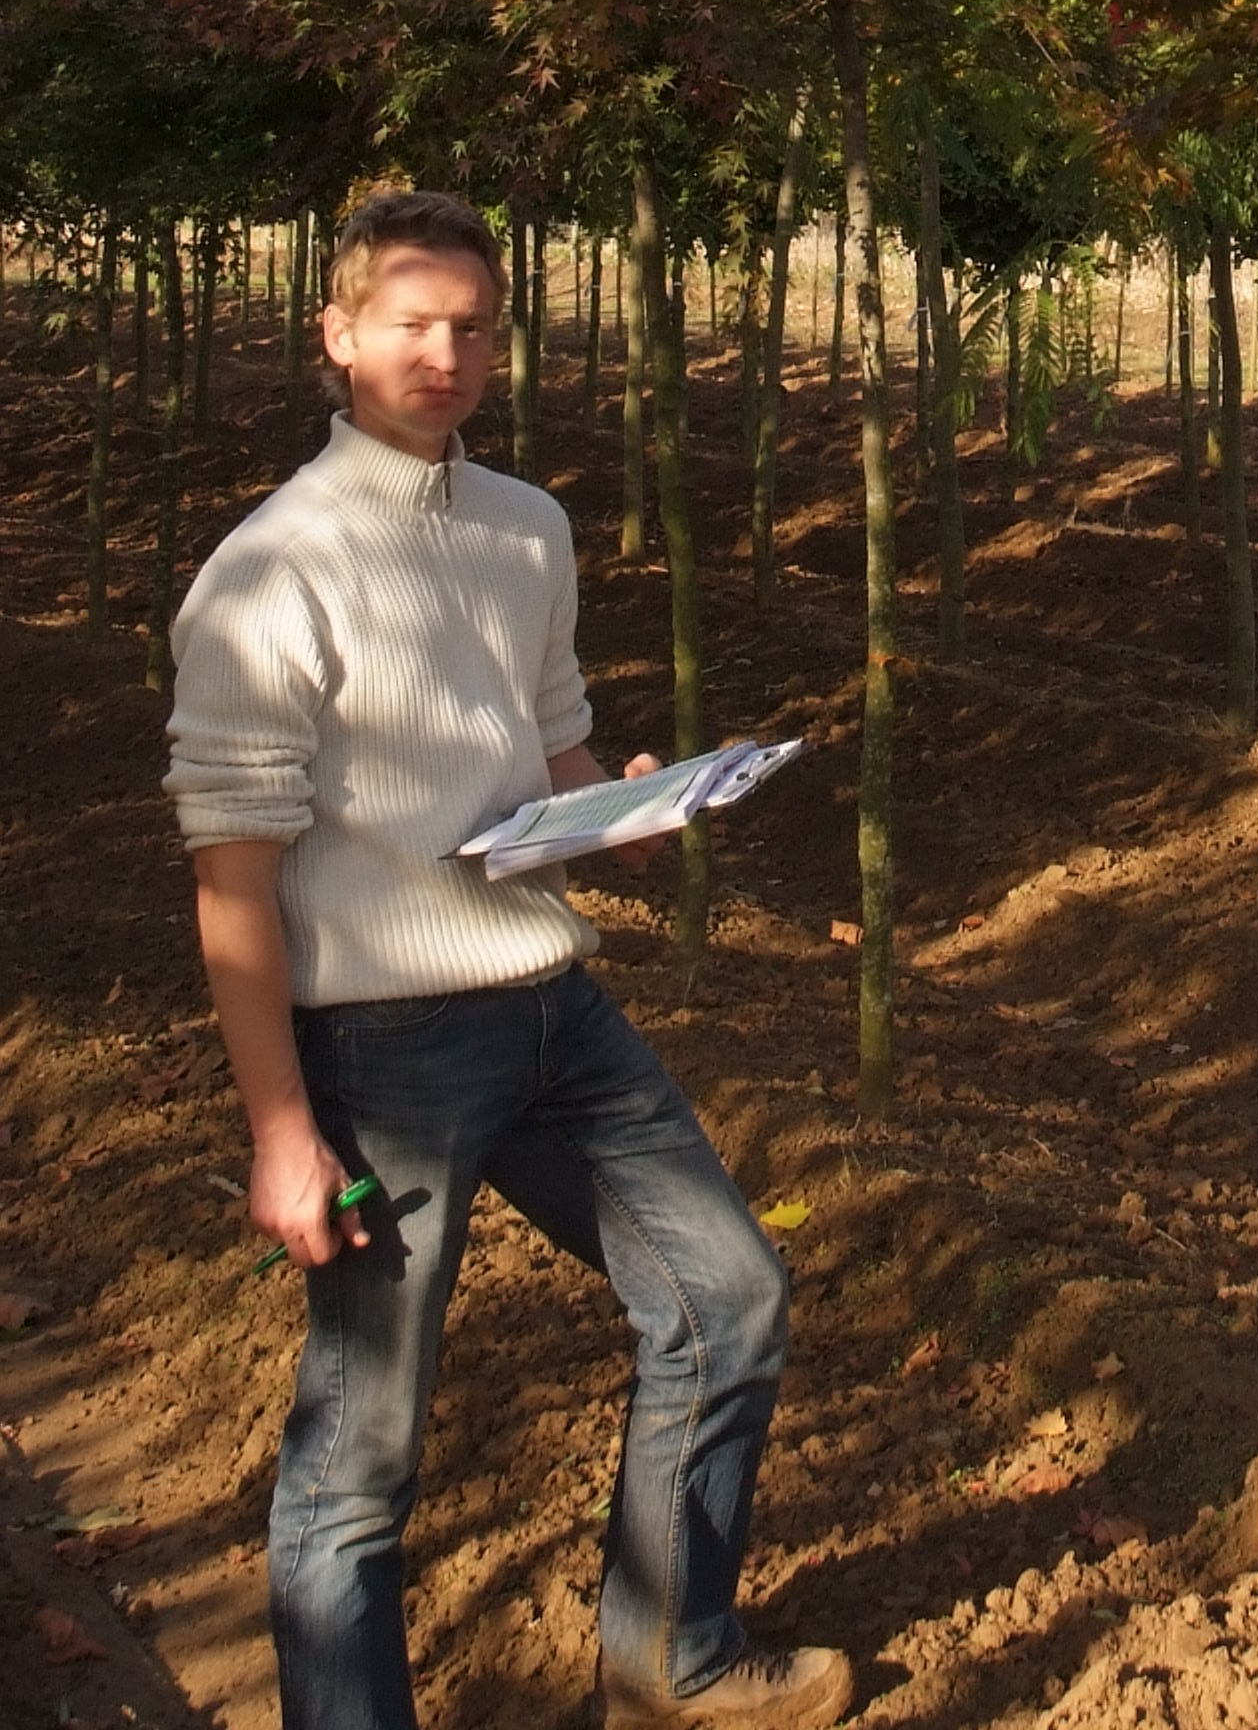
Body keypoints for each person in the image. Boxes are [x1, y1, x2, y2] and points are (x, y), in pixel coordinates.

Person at [165, 187, 850, 1730]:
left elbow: (548, 762)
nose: (445, 352)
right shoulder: (269, 574)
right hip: (380, 1055)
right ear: (336, 334)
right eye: (410, 322)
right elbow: (231, 880)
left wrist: (632, 805)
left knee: (726, 1299)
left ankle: (669, 1650)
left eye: (472, 326)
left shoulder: (525, 529)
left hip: (552, 1013)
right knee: (364, 1457)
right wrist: (281, 1131)